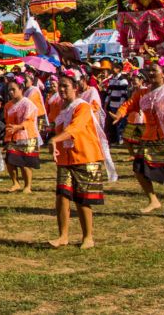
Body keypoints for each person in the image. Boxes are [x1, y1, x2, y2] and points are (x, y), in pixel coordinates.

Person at [117, 63, 164, 219]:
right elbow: (130, 104)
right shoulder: (143, 92)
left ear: (163, 73)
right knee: (138, 168)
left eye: (154, 70)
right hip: (149, 135)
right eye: (149, 70)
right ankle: (153, 200)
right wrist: (120, 113)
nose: (151, 73)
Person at [47, 76, 116, 249]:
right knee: (62, 195)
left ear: (75, 87)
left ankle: (88, 237)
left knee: (82, 198)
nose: (61, 89)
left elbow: (75, 129)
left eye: (65, 86)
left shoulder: (82, 107)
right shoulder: (60, 108)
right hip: (65, 157)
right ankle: (63, 236)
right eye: (60, 86)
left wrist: (55, 139)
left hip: (85, 156)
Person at [4, 78, 41, 193]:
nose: (11, 92)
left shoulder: (28, 104)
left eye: (13, 89)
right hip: (13, 136)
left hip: (26, 136)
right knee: (10, 160)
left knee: (25, 163)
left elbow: (29, 120)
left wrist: (18, 127)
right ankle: (15, 183)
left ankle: (27, 186)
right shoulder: (8, 105)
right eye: (9, 90)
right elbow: (7, 121)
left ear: (21, 89)